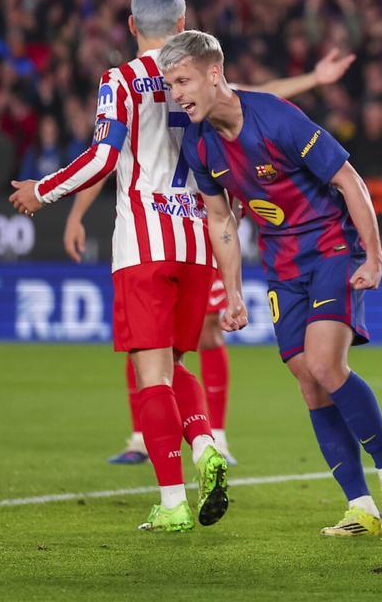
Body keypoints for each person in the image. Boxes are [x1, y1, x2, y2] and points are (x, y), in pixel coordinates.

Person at [160, 29, 382, 538]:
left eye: (184, 80)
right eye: (170, 85)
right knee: (305, 375)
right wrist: (232, 292)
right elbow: (222, 220)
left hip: (330, 249)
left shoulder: (274, 116)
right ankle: (360, 505)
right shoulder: (199, 143)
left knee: (325, 363)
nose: (177, 94)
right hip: (282, 265)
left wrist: (375, 254)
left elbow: (349, 180)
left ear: (215, 74)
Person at [8, 0, 236, 533]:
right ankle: (205, 442)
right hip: (198, 241)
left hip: (143, 243)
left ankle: (173, 500)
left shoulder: (122, 79)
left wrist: (45, 189)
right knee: (178, 364)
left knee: (151, 372)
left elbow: (104, 156)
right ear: (183, 24)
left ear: (132, 26)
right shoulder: (204, 77)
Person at [71, 50, 358, 467]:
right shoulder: (172, 82)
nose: (178, 89)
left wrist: (314, 76)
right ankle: (149, 435)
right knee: (155, 343)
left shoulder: (150, 83)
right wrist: (313, 77)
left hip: (193, 227)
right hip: (193, 230)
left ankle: (212, 436)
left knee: (183, 338)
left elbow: (105, 157)